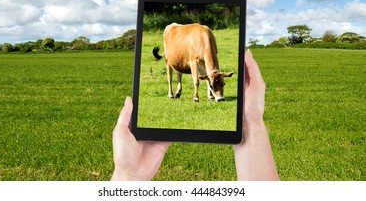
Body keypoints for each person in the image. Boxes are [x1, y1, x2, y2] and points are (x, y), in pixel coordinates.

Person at [111, 49, 280, 181]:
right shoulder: (171, 30)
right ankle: (174, 89)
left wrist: (127, 176)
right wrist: (128, 175)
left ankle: (203, 92)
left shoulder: (212, 61)